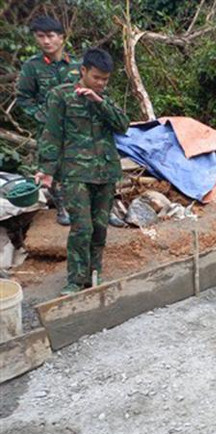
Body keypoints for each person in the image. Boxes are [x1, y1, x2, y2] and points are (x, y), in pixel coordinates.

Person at [35, 48, 129, 295]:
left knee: (99, 229)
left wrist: (99, 101)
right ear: (83, 71)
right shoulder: (61, 96)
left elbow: (123, 125)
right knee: (82, 228)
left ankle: (93, 275)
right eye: (97, 78)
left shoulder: (104, 99)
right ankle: (75, 281)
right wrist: (46, 169)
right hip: (75, 174)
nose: (101, 83)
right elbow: (52, 135)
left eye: (105, 79)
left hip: (106, 173)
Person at [15, 15, 80, 226]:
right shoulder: (32, 67)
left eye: (50, 36)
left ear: (61, 37)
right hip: (48, 129)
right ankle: (61, 207)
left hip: (75, 126)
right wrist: (41, 115)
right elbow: (23, 97)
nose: (46, 41)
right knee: (51, 165)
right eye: (40, 36)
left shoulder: (76, 65)